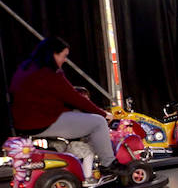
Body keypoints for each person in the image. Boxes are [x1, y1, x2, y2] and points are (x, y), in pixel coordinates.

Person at [9, 36, 115, 174]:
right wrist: (104, 113)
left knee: (82, 115)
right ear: (53, 54)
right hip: (41, 123)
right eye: (63, 56)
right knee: (99, 122)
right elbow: (75, 98)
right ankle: (109, 164)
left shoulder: (27, 67)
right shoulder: (49, 73)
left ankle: (88, 162)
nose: (65, 60)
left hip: (25, 122)